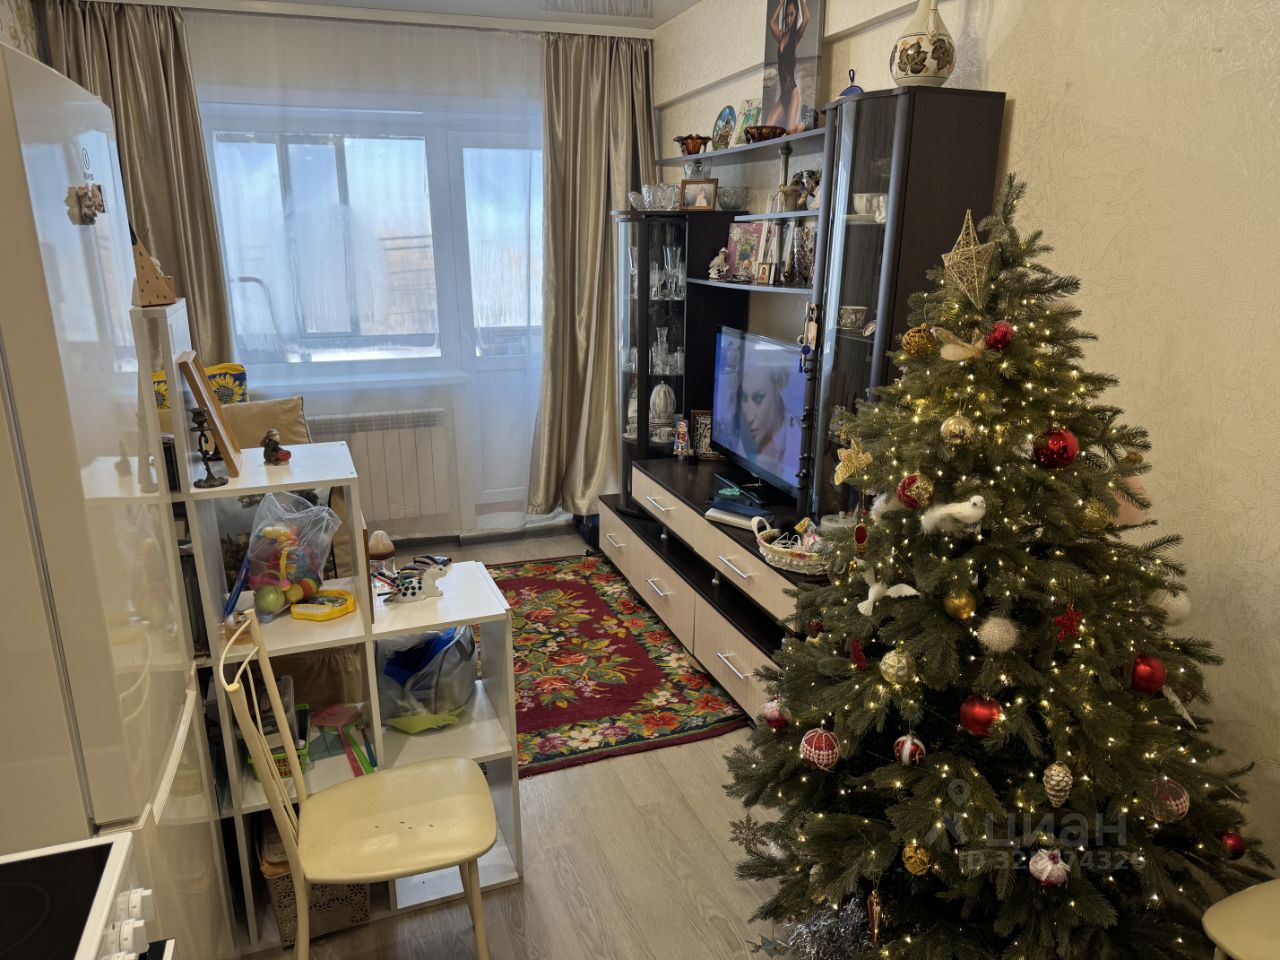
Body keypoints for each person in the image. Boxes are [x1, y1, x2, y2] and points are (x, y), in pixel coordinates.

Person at [736, 346, 794, 480]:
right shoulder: (737, 440)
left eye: (758, 398)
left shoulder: (802, 439)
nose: (749, 416)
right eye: (744, 398)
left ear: (778, 385)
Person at [764, 0, 810, 133]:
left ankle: (807, 119)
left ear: (796, 14)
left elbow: (806, 18)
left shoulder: (796, 35)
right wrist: (780, 4)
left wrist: (802, 1)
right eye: (787, 15)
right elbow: (771, 23)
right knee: (767, 128)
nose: (789, 19)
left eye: (792, 14)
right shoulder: (781, 36)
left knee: (791, 134)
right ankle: (805, 120)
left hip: (793, 92)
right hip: (784, 95)